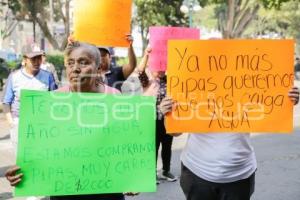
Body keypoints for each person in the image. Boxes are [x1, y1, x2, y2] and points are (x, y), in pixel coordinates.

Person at [5, 41, 138, 200]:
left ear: (98, 68)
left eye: (83, 62)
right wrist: (23, 172)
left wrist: (133, 178)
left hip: (107, 191)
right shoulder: (52, 101)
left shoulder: (115, 98)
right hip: (65, 190)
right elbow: (40, 149)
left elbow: (126, 145)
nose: (75, 68)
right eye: (70, 63)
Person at [158, 86, 299, 200]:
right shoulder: (192, 80)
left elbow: (271, 106)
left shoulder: (247, 78)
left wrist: (285, 99)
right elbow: (174, 133)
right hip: (197, 173)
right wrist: (168, 114)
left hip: (239, 173)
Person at [2, 45, 57, 151]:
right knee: (21, 158)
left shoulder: (48, 76)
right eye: (33, 59)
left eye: (39, 58)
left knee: (40, 156)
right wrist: (12, 123)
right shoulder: (14, 77)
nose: (37, 62)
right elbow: (6, 102)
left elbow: (54, 99)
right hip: (19, 123)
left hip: (42, 124)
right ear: (25, 60)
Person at [136, 46, 177, 183]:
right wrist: (146, 54)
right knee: (152, 147)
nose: (160, 70)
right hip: (151, 120)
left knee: (167, 146)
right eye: (158, 67)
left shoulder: (170, 80)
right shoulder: (147, 82)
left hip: (167, 120)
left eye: (163, 67)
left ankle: (166, 171)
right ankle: (151, 172)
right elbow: (140, 70)